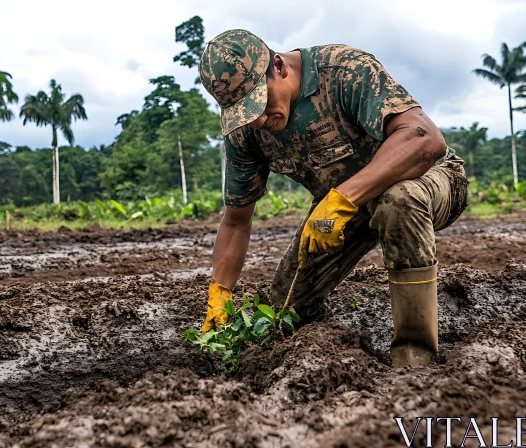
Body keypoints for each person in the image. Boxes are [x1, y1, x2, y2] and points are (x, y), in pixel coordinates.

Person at [197, 29, 468, 367]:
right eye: (246, 113)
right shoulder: (246, 132)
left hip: (427, 180)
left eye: (260, 103)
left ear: (278, 66)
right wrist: (219, 293)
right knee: (284, 310)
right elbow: (236, 222)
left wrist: (343, 199)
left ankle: (416, 357)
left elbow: (425, 139)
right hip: (340, 207)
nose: (259, 119)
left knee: (397, 199)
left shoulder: (342, 70)